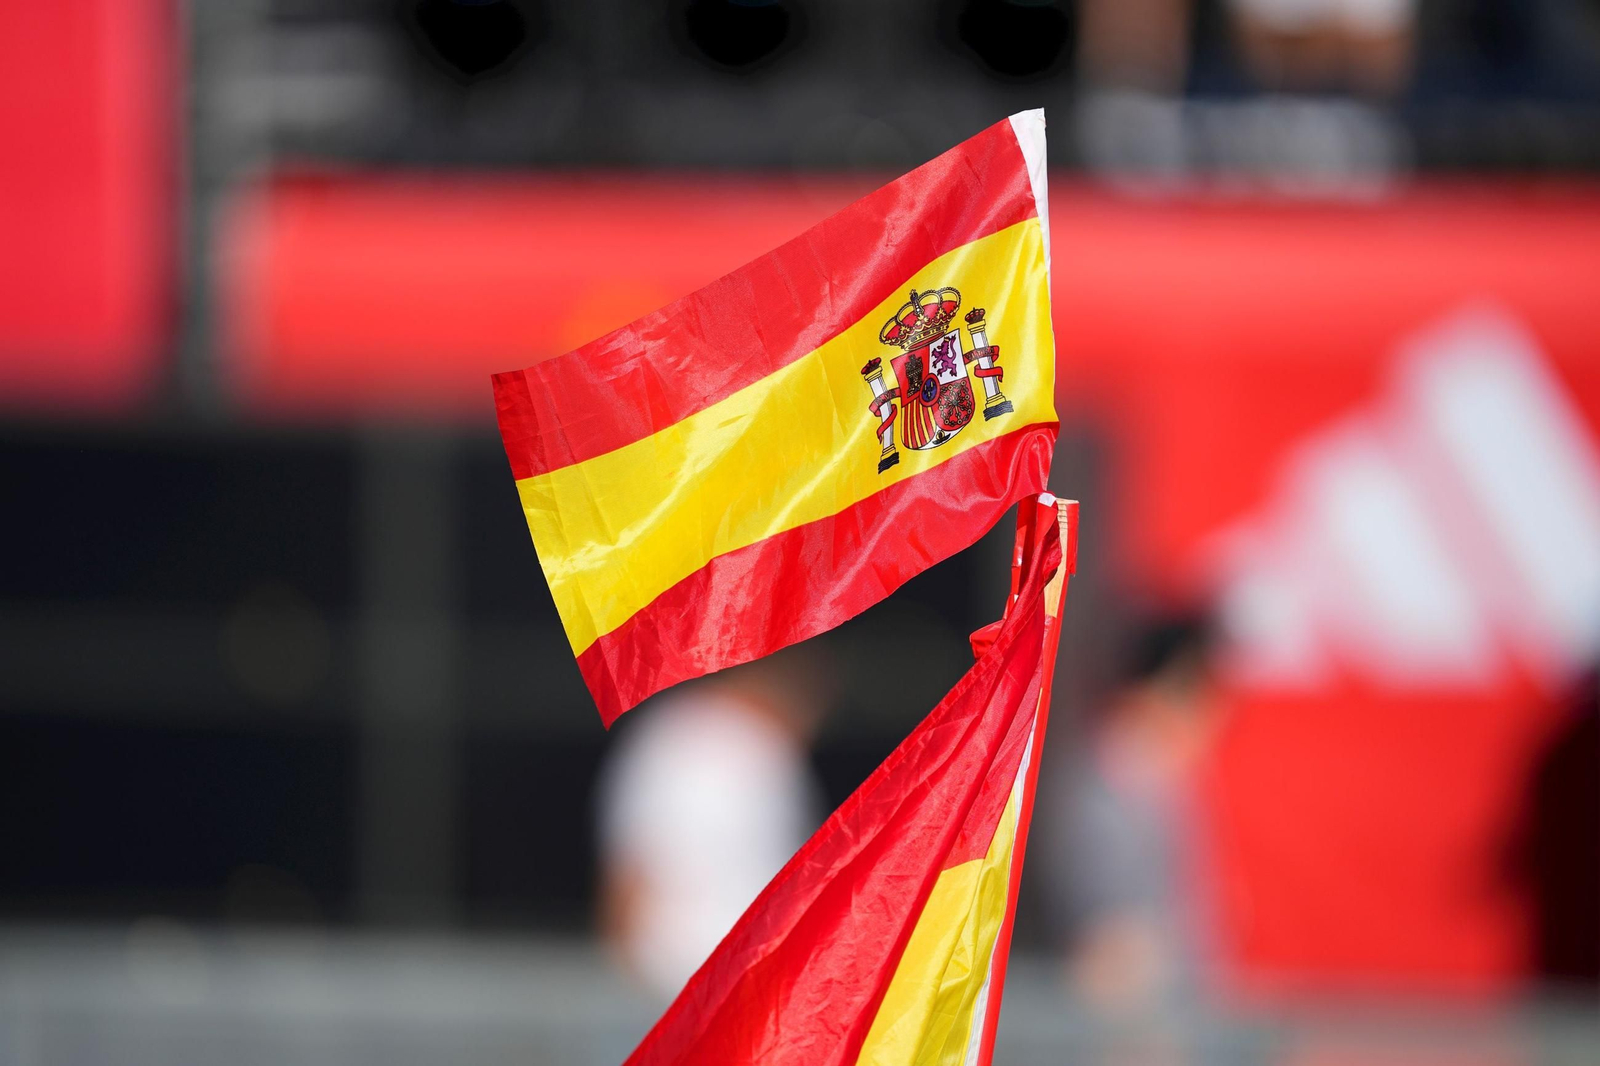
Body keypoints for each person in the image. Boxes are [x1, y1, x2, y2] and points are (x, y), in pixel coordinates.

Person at [595, 645, 829, 998]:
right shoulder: (678, 736)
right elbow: (631, 866)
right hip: (674, 980)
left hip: (743, 980)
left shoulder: (771, 750)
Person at [1050, 611, 1224, 1015]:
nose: (1217, 714)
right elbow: (1105, 955)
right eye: (1206, 690)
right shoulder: (1105, 793)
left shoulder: (1169, 785)